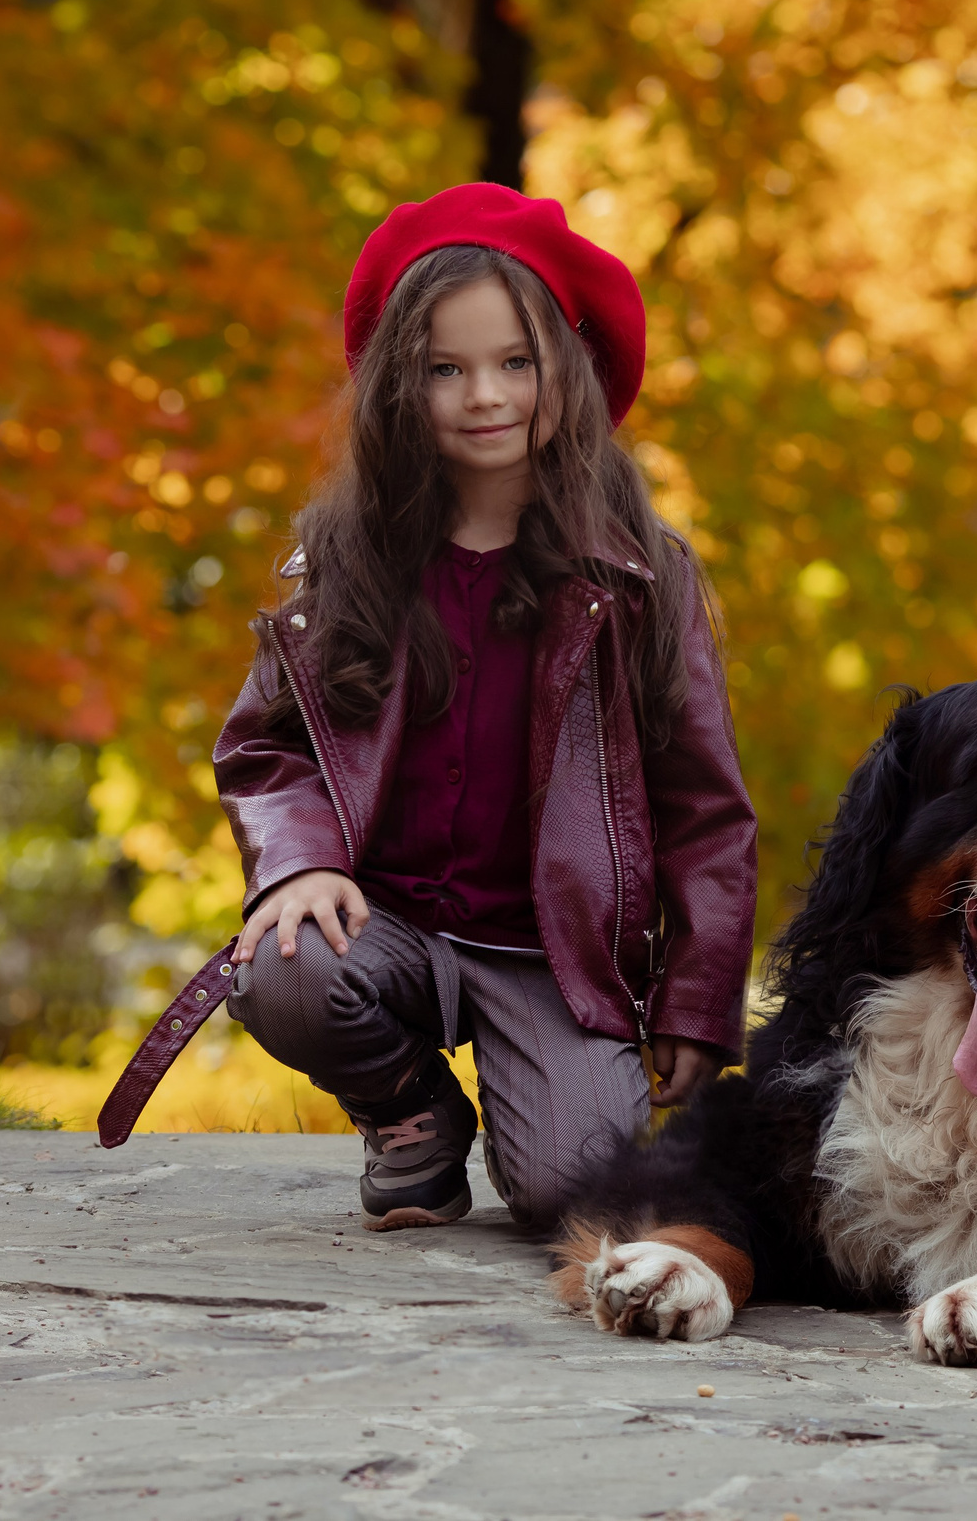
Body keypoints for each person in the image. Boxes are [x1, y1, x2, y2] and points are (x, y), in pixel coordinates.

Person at [216, 183, 757, 1233]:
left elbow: (706, 810)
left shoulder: (642, 577)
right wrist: (300, 863)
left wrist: (695, 1001)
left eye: (516, 362)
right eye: (445, 370)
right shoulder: (347, 561)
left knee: (576, 1196)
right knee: (285, 967)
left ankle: (531, 1116)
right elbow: (265, 750)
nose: (484, 396)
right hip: (383, 924)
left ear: (569, 370)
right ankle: (411, 1113)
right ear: (398, 385)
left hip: (552, 959)